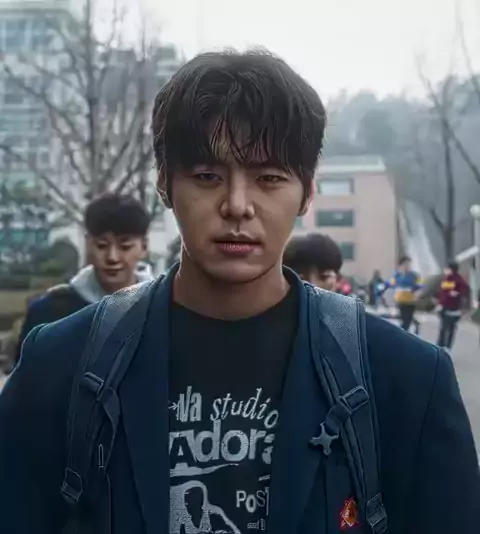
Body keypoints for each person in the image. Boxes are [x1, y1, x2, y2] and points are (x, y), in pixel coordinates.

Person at [0, 50, 478, 534]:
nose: (237, 205)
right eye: (207, 176)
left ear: (307, 192)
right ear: (164, 183)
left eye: (269, 178)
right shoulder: (62, 365)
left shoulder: (405, 379)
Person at [14, 193, 153, 363]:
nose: (112, 257)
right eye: (101, 245)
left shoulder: (162, 309)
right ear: (87, 243)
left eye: (125, 246)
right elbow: (25, 376)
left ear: (144, 247)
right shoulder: (51, 312)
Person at [383, 256, 423, 332]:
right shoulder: (396, 276)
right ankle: (402, 333)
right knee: (404, 320)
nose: (407, 266)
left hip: (410, 301)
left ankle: (403, 332)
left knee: (407, 320)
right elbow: (388, 285)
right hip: (400, 301)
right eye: (405, 264)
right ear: (400, 265)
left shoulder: (414, 275)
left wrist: (418, 293)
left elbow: (420, 286)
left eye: (408, 264)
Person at [436, 261, 469, 350]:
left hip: (453, 308)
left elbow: (464, 292)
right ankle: (441, 347)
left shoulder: (458, 280)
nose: (445, 270)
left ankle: (445, 347)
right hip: (444, 307)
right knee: (444, 328)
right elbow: (442, 292)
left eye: (447, 268)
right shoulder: (446, 279)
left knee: (449, 329)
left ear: (451, 269)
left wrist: (457, 294)